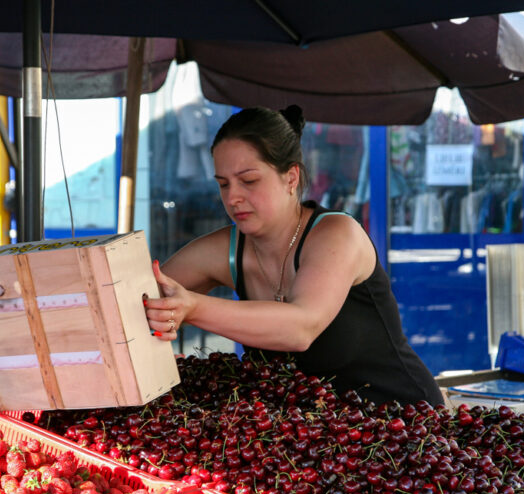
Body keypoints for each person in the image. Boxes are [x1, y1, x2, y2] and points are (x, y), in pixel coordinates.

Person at [143, 105, 444, 407]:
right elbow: (136, 301)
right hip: (316, 437)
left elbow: (300, 328)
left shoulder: (338, 234)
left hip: (405, 426)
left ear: (291, 178)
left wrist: (192, 307)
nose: (232, 197)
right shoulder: (226, 250)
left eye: (248, 181)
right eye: (223, 184)